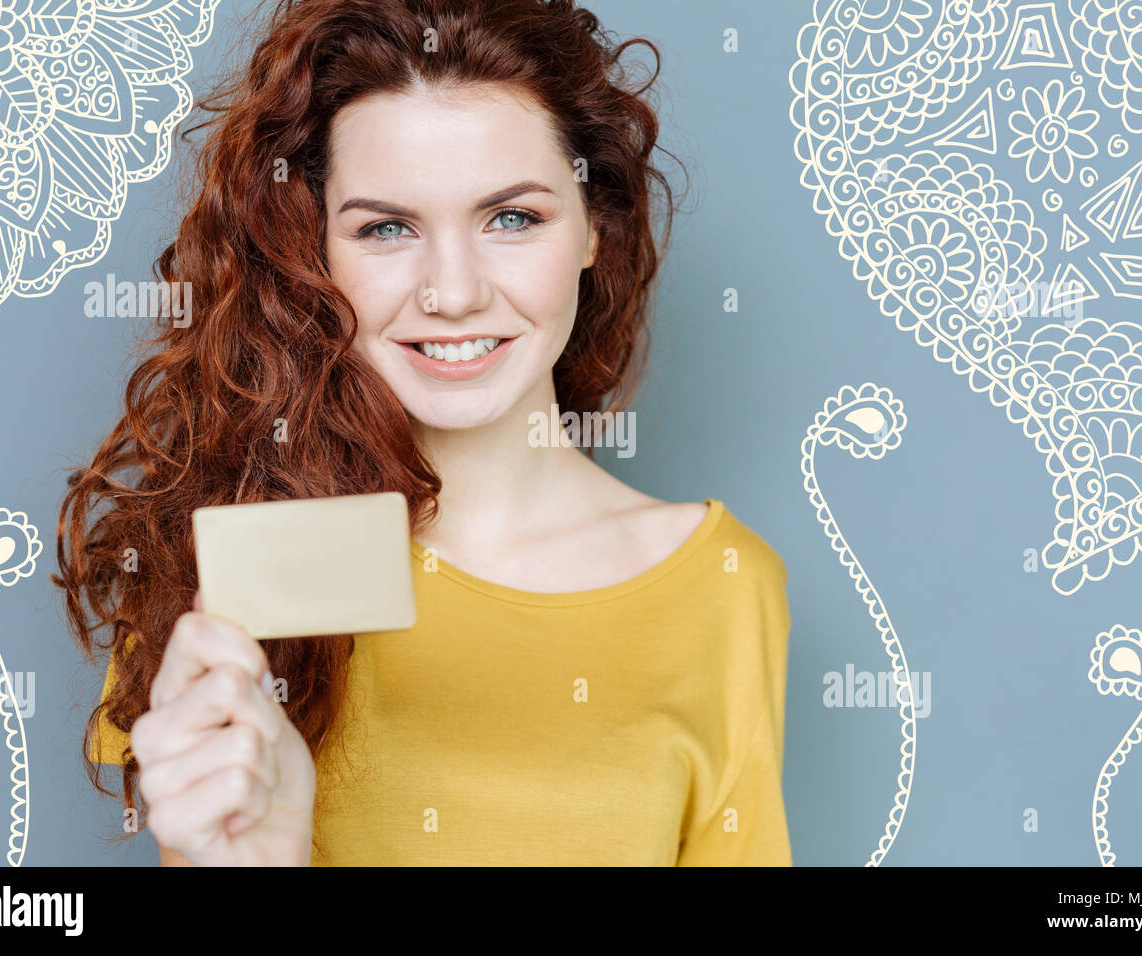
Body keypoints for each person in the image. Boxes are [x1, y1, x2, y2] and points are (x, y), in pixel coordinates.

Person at [57, 0, 792, 866]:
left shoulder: (723, 585)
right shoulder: (233, 569)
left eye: (512, 218)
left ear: (597, 226)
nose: (453, 292)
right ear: (313, 251)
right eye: (387, 228)